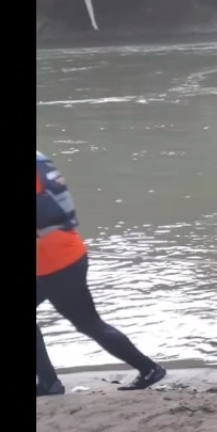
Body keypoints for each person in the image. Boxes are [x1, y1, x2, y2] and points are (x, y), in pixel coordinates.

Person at [37, 151, 167, 396]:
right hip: (69, 252)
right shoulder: (40, 161)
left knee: (89, 322)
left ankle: (49, 383)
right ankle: (148, 369)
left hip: (52, 262)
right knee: (89, 323)